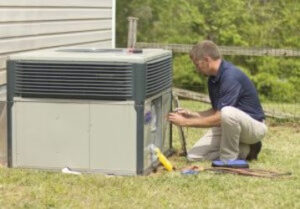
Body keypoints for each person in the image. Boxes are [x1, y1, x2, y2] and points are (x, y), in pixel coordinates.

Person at [168, 40, 267, 165]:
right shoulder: (212, 79)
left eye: (197, 64)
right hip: (231, 125)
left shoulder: (230, 76)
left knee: (227, 113)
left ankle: (229, 161)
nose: (197, 69)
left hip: (254, 128)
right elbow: (216, 111)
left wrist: (186, 122)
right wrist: (192, 114)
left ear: (207, 60)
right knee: (194, 156)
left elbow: (220, 116)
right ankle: (246, 150)